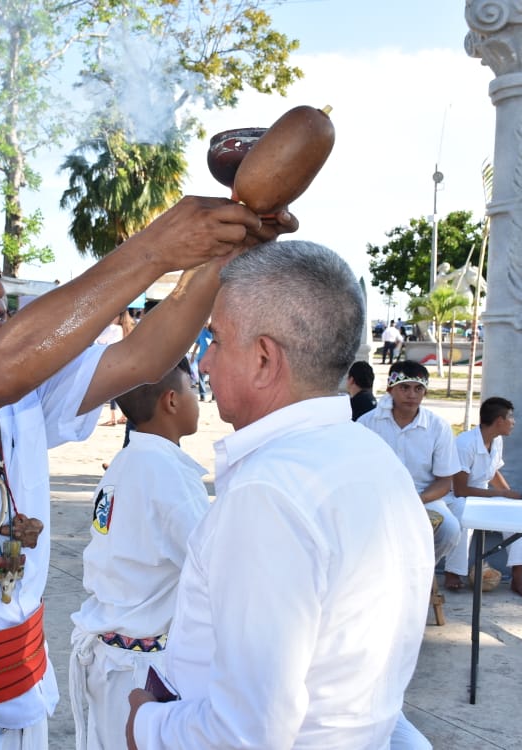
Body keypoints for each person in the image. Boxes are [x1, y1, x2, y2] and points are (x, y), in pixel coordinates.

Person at [0, 198, 293, 748]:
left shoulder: (20, 393)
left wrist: (226, 251)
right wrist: (153, 250)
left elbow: (145, 356)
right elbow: (3, 371)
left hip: (22, 697)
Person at [125, 240, 433, 750]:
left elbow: (243, 735)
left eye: (216, 341)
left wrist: (144, 726)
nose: (203, 366)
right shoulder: (373, 457)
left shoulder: (269, 492)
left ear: (265, 359)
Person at [69, 358, 208, 750]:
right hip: (138, 671)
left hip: (114, 659)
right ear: (171, 401)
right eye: (193, 391)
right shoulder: (167, 473)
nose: (198, 399)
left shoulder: (128, 462)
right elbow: (212, 564)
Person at [358, 360, 462, 564]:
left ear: (425, 392)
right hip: (377, 496)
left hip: (424, 498)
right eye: (404, 387)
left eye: (418, 388)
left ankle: (422, 568)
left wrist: (416, 500)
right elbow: (357, 472)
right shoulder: (366, 424)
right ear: (390, 389)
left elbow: (444, 482)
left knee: (450, 530)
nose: (411, 395)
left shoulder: (438, 427)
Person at [443, 397, 522, 599]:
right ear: (498, 421)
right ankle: (453, 572)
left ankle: (518, 577)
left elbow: (493, 472)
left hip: (482, 496)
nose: (513, 422)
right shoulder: (465, 443)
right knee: (462, 515)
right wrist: (503, 494)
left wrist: (511, 497)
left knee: (517, 515)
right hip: (456, 497)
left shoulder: (497, 440)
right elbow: (460, 489)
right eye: (510, 417)